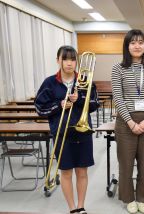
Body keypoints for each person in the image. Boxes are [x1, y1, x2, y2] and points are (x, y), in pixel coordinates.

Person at [35, 45, 100, 214]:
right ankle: (72, 208)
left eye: (73, 59)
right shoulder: (49, 83)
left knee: (82, 172)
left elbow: (94, 104)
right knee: (65, 173)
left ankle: (81, 206)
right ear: (58, 60)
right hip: (61, 133)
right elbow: (40, 108)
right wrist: (59, 104)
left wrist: (79, 99)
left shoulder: (85, 80)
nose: (69, 63)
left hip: (82, 132)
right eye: (65, 59)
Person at [111, 29, 144, 214]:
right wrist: (131, 122)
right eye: (133, 42)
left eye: (141, 42)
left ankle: (142, 198)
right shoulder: (118, 68)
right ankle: (128, 198)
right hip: (125, 122)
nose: (137, 45)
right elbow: (118, 97)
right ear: (127, 45)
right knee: (126, 164)